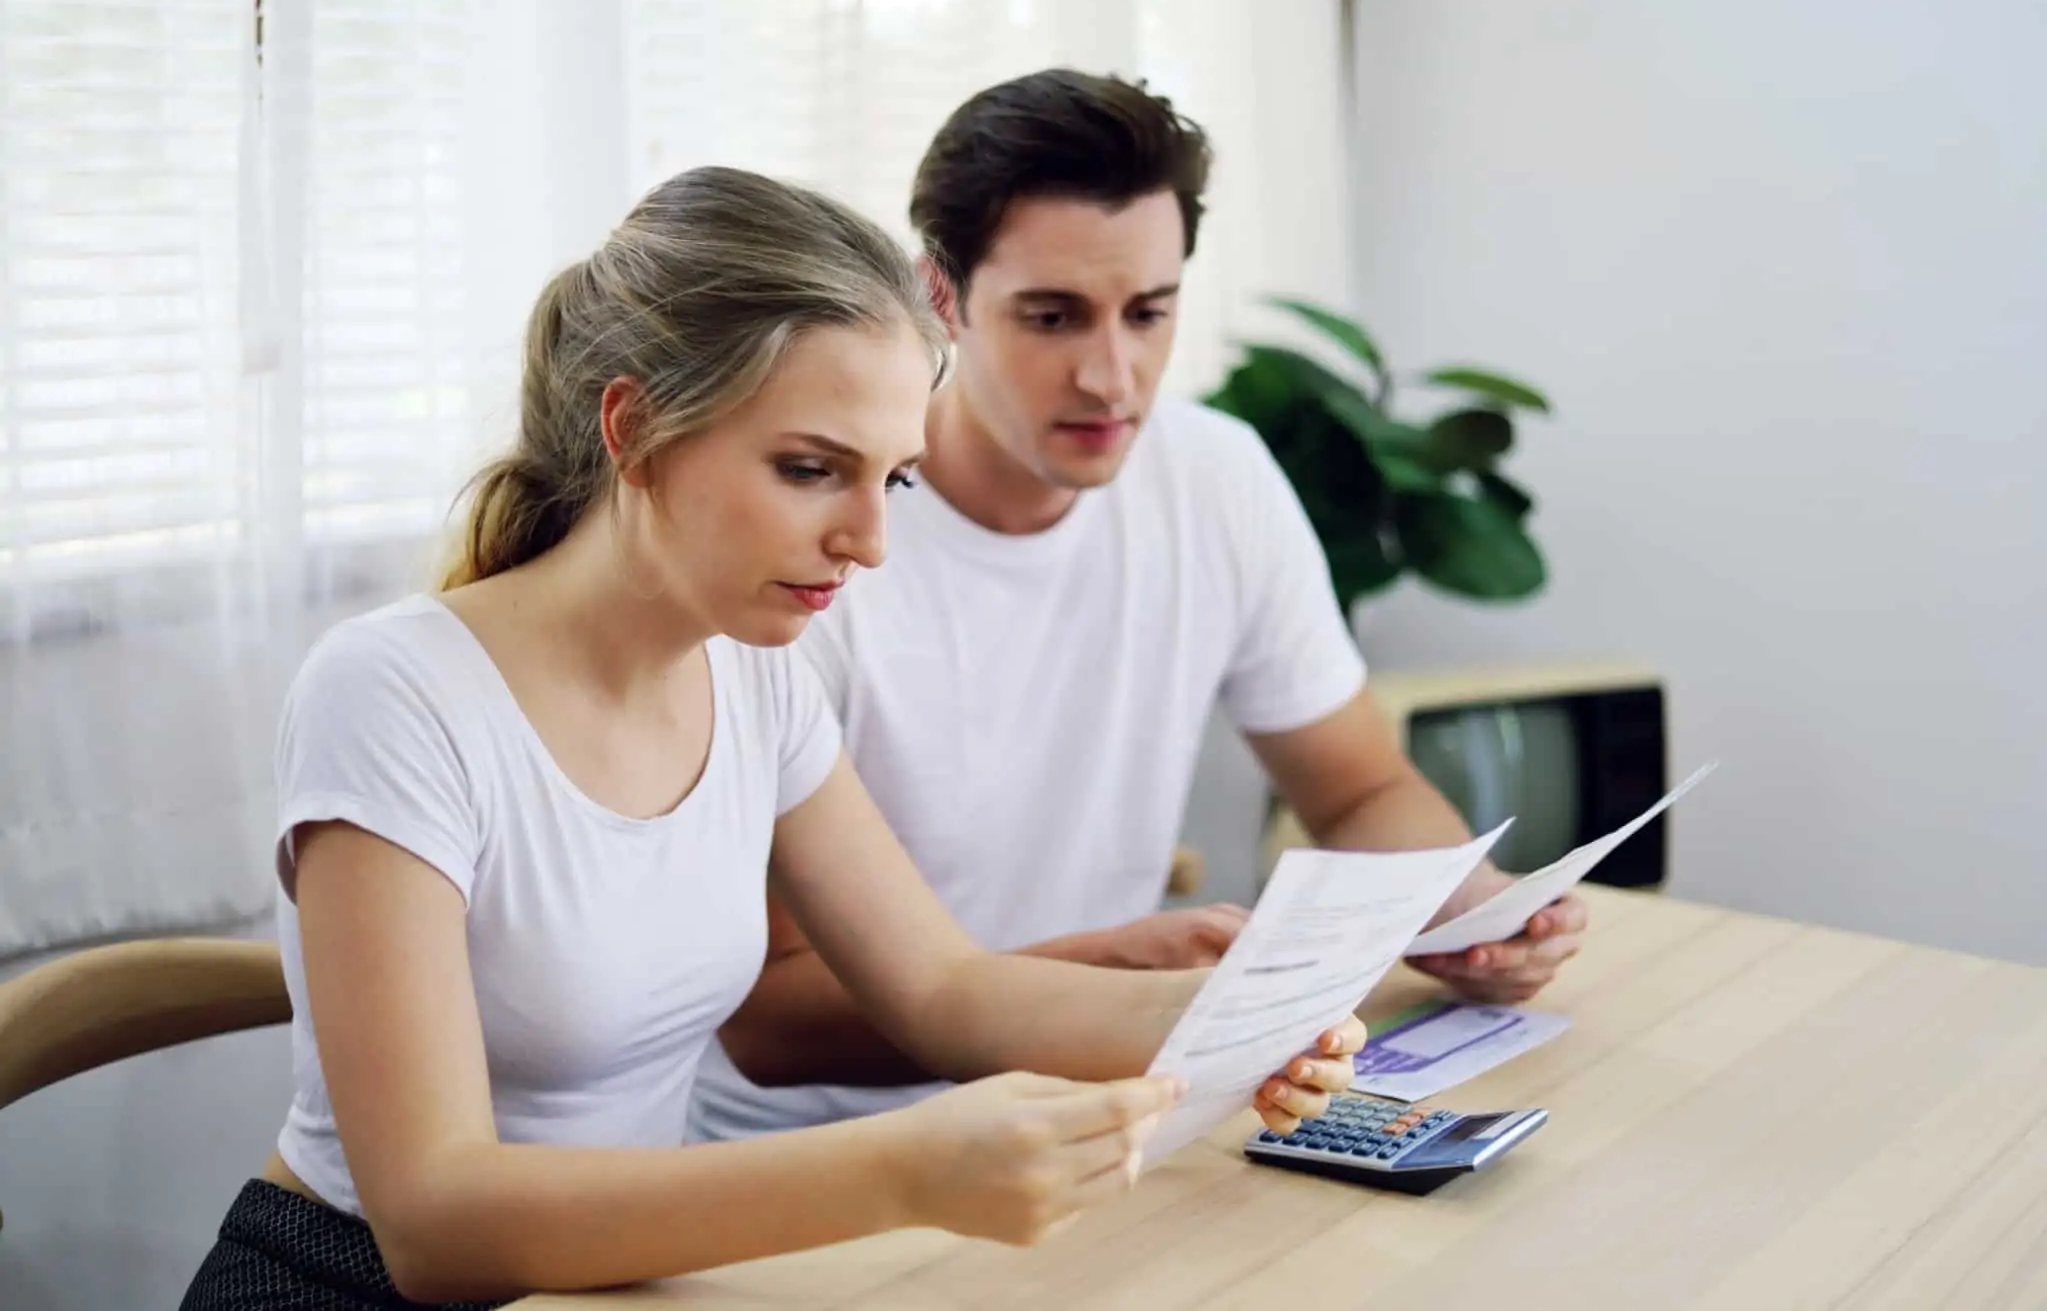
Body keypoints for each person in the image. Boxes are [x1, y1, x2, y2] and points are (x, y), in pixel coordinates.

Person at [177, 167, 1363, 1311]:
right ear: (633, 429)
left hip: (618, 1285)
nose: (867, 542)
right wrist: (899, 1171)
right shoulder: (394, 694)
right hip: (349, 1287)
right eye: (810, 470)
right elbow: (434, 1224)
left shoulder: (752, 680)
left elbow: (946, 993)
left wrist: (1239, 1027)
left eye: (892, 481)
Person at [687, 72, 1590, 1145]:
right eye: (1053, 316)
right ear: (941, 297)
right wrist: (1105, 980)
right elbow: (771, 1024)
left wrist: (1466, 909)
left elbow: (1358, 788)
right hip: (829, 1149)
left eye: (1148, 313)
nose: (1111, 377)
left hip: (1103, 1106)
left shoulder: (1214, 477)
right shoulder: (825, 546)